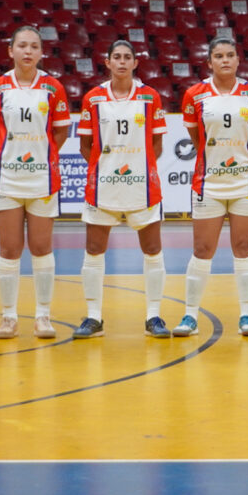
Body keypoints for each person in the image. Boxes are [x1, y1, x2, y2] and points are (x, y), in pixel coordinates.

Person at [74, 40, 169, 338]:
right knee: (94, 250)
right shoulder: (93, 98)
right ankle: (93, 317)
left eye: (128, 57)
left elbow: (157, 143)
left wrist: (140, 168)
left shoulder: (150, 97)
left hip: (142, 186)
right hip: (103, 188)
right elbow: (85, 145)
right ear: (107, 62)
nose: (122, 62)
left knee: (152, 250)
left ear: (135, 63)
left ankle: (153, 316)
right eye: (117, 57)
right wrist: (106, 170)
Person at [0, 26, 71, 339]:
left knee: (42, 247)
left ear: (41, 52)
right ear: (11, 51)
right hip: (7, 178)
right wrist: (11, 157)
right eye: (22, 46)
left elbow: (60, 132)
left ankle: (43, 316)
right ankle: (8, 318)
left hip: (42, 179)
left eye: (34, 46)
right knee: (9, 249)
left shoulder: (53, 87)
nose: (28, 51)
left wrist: (40, 156)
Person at [178, 37, 248, 337]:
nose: (225, 60)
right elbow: (196, 138)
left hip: (245, 182)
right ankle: (190, 316)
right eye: (219, 56)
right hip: (208, 184)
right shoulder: (194, 95)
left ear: (238, 59)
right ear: (209, 62)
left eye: (231, 54)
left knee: (243, 249)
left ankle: (246, 315)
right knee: (202, 249)